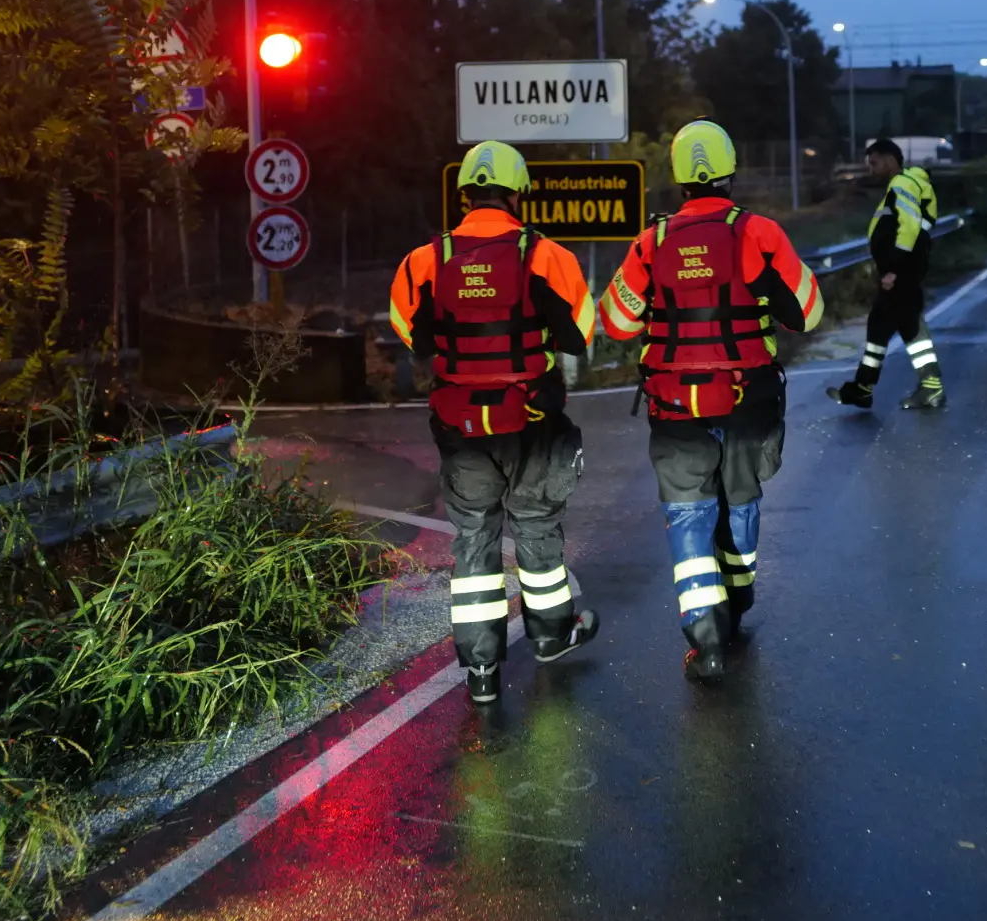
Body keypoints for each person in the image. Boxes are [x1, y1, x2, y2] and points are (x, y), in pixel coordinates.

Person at [600, 119, 824, 681]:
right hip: (748, 400)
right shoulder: (760, 234)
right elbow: (808, 312)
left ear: (676, 178)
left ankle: (706, 637)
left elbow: (617, 321)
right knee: (741, 501)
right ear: (729, 171)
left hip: (675, 406)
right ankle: (739, 600)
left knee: (687, 512)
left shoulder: (650, 243)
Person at [389, 140, 600, 704]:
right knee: (534, 525)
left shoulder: (423, 260)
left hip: (460, 424)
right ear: (518, 192)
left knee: (474, 538)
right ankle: (553, 637)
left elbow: (412, 335)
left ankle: (481, 671)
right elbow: (581, 332)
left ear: (464, 195)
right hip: (529, 418)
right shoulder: (548, 256)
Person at [829, 138, 945, 410]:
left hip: (901, 272)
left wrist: (893, 268)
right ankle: (865, 387)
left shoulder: (902, 185)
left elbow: (909, 227)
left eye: (875, 162)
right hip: (905, 271)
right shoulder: (906, 184)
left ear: (891, 159)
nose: (871, 169)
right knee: (890, 327)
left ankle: (924, 388)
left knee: (902, 328)